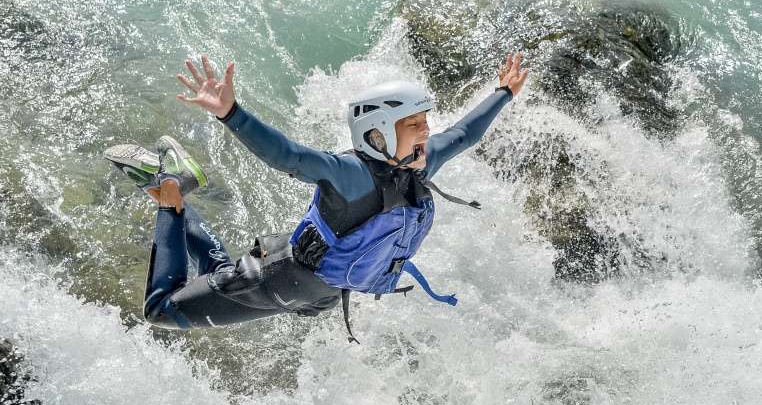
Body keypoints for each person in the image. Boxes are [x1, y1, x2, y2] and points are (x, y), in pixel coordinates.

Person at [104, 53, 529, 342]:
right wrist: (230, 113)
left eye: (424, 122)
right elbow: (289, 156)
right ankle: (170, 197)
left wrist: (503, 92)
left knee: (222, 278)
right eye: (414, 124)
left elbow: (464, 134)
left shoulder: (419, 163)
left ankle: (178, 190)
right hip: (280, 280)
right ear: (379, 131)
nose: (426, 132)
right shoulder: (349, 174)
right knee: (162, 311)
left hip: (320, 294)